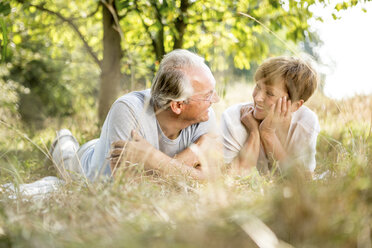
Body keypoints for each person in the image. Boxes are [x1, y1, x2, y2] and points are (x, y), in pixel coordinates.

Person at [49, 49, 220, 182]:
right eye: (208, 95)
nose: (215, 99)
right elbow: (130, 189)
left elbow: (213, 178)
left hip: (106, 142)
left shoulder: (204, 113)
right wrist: (192, 157)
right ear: (177, 105)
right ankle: (62, 139)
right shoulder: (127, 110)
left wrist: (152, 158)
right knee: (66, 161)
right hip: (85, 165)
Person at [221, 56, 320, 176]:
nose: (257, 98)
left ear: (295, 106)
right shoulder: (232, 118)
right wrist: (254, 132)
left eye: (270, 93)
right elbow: (229, 178)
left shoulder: (306, 122)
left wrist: (268, 133)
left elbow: (302, 182)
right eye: (258, 86)